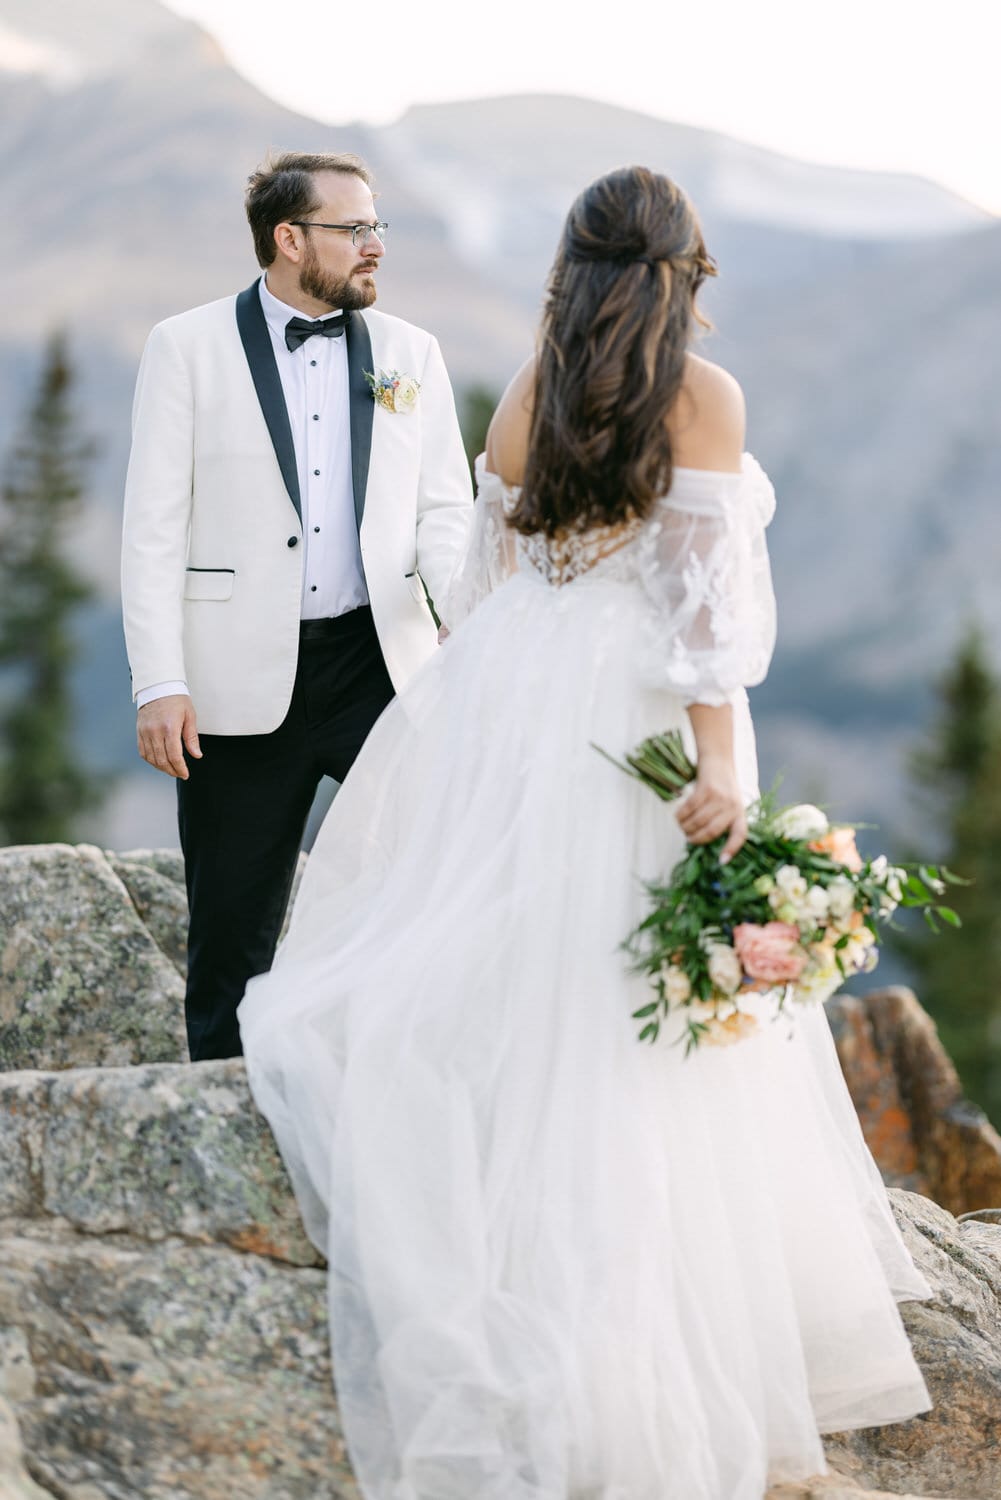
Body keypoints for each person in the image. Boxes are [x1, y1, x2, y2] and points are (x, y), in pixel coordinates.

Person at [237, 166, 932, 1499]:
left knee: (521, 978)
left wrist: (506, 692)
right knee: (631, 1015)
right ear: (683, 270)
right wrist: (723, 770)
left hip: (504, 695)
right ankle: (636, 1340)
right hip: (628, 709)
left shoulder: (526, 395)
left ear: (574, 265)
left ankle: (513, 1242)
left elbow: (494, 574)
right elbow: (705, 619)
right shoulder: (701, 398)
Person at [120, 150, 473, 1062]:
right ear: (288, 239)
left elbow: (443, 511)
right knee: (231, 940)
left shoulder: (410, 354)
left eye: (376, 227)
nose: (373, 247)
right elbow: (153, 527)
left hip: (381, 675)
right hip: (234, 686)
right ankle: (222, 1162)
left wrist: (472, 617)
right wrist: (159, 682)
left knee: (421, 904)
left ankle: (387, 1118)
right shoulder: (183, 347)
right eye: (353, 229)